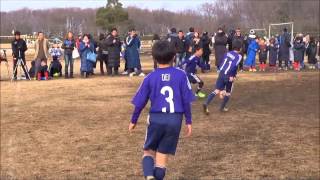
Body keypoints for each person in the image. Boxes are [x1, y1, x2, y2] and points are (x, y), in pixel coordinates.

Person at [128, 40, 194, 180]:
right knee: (162, 156)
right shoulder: (181, 75)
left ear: (154, 58)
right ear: (174, 57)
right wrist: (188, 121)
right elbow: (186, 100)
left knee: (148, 152)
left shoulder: (150, 77)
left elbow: (140, 103)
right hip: (175, 120)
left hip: (157, 118)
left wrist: (133, 120)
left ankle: (149, 176)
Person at [203, 41, 242, 114]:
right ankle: (222, 107)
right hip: (229, 75)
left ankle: (206, 103)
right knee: (228, 93)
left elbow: (223, 61)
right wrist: (233, 76)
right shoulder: (239, 56)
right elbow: (234, 66)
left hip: (221, 73)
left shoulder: (227, 53)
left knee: (217, 90)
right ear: (239, 48)